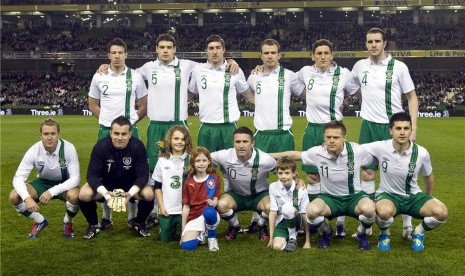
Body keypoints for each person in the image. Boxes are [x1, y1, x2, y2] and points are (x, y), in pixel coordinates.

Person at [346, 28, 419, 238]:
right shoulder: (360, 66)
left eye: (377, 41)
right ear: (366, 44)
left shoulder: (399, 67)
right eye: (370, 41)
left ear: (384, 43)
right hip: (368, 125)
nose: (373, 45)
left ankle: (407, 225)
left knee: (402, 174)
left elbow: (412, 97)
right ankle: (367, 225)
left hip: (393, 127)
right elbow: (350, 88)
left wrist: (413, 128)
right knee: (367, 173)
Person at [270, 121, 376, 250]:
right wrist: (267, 155)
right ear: (324, 137)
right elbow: (294, 155)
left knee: (370, 209)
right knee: (311, 211)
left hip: (354, 197)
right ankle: (326, 231)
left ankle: (362, 233)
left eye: (336, 137)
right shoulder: (317, 152)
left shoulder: (357, 151)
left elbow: (379, 155)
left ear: (344, 138)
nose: (331, 141)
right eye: (328, 137)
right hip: (329, 198)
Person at [361, 112, 448, 251]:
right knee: (383, 212)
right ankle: (384, 234)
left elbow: (428, 176)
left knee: (441, 212)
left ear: (411, 130)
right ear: (391, 130)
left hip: (413, 196)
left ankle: (418, 232)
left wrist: (428, 196)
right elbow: (355, 148)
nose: (402, 132)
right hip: (388, 195)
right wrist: (333, 143)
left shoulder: (421, 152)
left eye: (406, 128)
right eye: (398, 128)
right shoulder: (381, 147)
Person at [296, 39, 355, 237]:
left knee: (337, 176)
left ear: (332, 55)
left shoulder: (344, 73)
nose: (322, 56)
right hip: (312, 129)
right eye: (318, 53)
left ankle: (340, 222)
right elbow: (290, 84)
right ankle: (317, 221)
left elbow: (358, 89)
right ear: (312, 56)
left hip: (334, 129)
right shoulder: (305, 72)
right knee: (313, 176)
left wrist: (345, 101)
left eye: (326, 53)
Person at [88, 37, 148, 228]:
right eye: (113, 53)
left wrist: (129, 125)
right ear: (108, 56)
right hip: (106, 130)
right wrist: (107, 120)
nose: (116, 56)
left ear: (126, 55)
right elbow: (92, 104)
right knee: (106, 174)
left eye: (120, 52)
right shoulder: (99, 76)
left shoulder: (135, 76)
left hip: (130, 131)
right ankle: (107, 218)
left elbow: (144, 105)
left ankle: (132, 216)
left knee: (131, 173)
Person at [79, 116, 154, 239]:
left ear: (130, 134)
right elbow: (91, 175)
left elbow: (143, 176)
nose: (120, 138)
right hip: (106, 183)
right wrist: (106, 194)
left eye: (124, 134)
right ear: (110, 133)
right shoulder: (101, 146)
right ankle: (94, 224)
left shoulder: (137, 146)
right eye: (116, 133)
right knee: (84, 194)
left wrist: (130, 193)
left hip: (130, 184)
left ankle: (139, 223)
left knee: (149, 193)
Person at [9, 118, 80, 238]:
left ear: (59, 134)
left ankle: (68, 222)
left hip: (65, 184)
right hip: (42, 182)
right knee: (14, 196)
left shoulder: (68, 148)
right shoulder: (34, 150)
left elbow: (75, 179)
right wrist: (26, 198)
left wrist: (52, 191)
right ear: (40, 134)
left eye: (53, 133)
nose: (49, 137)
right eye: (46, 134)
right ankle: (40, 221)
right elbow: (18, 178)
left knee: (75, 196)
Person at [188, 35, 254, 153]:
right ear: (206, 51)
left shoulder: (235, 70)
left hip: (228, 128)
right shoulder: (198, 70)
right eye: (211, 48)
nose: (214, 51)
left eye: (218, 48)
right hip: (207, 127)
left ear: (224, 50)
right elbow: (189, 95)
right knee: (204, 167)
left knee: (230, 168)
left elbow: (249, 96)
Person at [212, 126, 276, 241]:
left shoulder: (264, 159)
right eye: (238, 142)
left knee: (271, 206)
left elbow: (282, 171)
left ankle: (261, 225)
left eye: (245, 141)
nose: (241, 145)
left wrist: (297, 180)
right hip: (236, 195)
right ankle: (235, 226)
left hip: (259, 196)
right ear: (233, 143)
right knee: (220, 205)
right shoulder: (225, 155)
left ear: (252, 143)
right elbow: (203, 158)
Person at [247, 38, 304, 152]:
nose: (269, 56)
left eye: (273, 53)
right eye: (266, 53)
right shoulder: (254, 76)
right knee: (259, 170)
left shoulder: (289, 76)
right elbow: (248, 95)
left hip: (283, 134)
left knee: (285, 170)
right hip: (261, 134)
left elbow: (305, 94)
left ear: (279, 55)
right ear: (261, 56)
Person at [152, 125, 192, 242]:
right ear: (170, 140)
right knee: (165, 239)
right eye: (176, 138)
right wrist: (161, 206)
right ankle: (165, 227)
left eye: (183, 139)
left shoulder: (190, 160)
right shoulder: (162, 160)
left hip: (185, 209)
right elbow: (157, 187)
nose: (179, 142)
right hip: (167, 209)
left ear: (186, 141)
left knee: (188, 238)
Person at [181, 147, 222, 251]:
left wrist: (213, 203)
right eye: (197, 161)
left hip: (209, 214)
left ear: (209, 161)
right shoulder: (188, 182)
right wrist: (183, 231)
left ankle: (212, 237)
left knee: (208, 212)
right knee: (187, 246)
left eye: (204, 160)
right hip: (194, 217)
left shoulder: (214, 178)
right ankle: (201, 235)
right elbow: (186, 207)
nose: (201, 163)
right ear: (193, 163)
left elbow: (216, 199)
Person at [268, 156, 310, 252]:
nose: (283, 176)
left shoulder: (301, 188)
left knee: (287, 208)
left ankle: (293, 237)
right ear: (277, 173)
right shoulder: (273, 187)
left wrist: (307, 241)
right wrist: (271, 238)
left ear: (294, 173)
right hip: (282, 221)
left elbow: (304, 213)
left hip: (297, 220)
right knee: (277, 247)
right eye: (280, 173)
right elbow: (273, 211)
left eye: (287, 173)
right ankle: (290, 235)